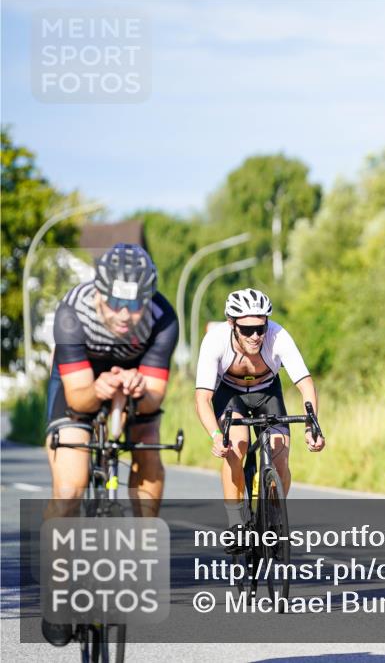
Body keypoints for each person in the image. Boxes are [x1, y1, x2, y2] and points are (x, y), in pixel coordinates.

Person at [43, 242, 178, 646]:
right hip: (79, 381)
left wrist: (137, 390)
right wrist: (99, 389)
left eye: (134, 304)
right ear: (99, 292)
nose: (124, 314)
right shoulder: (72, 313)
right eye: (115, 302)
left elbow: (154, 398)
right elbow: (80, 398)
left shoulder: (162, 317)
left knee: (149, 449)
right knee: (70, 486)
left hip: (136, 379)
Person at [194, 288, 325, 552]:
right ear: (232, 324)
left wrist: (313, 425)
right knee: (237, 445)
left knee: (280, 451)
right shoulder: (215, 341)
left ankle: (275, 519)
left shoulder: (277, 336)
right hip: (230, 396)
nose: (255, 336)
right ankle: (236, 525)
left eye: (260, 328)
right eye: (247, 330)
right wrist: (216, 436)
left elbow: (306, 384)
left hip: (267, 393)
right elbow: (203, 399)